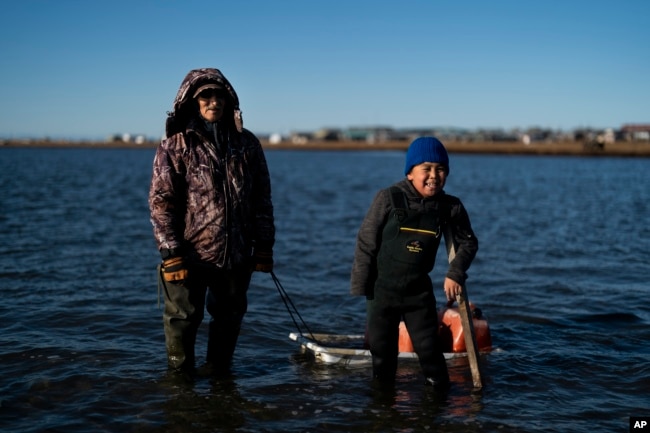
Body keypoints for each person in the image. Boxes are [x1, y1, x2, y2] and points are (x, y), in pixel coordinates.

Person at [149, 68, 275, 376]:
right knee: (182, 319)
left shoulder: (248, 145)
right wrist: (172, 253)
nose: (213, 102)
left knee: (229, 319)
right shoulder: (175, 146)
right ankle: (180, 385)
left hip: (236, 256)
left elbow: (262, 199)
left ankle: (220, 380)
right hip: (189, 256)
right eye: (205, 95)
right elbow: (161, 202)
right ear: (192, 101)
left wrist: (264, 246)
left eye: (219, 95)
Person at [350, 136, 478, 389]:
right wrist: (361, 285)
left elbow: (468, 243)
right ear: (410, 173)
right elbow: (366, 241)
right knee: (383, 357)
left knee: (431, 354)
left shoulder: (449, 207)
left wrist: (455, 272)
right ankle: (382, 410)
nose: (434, 175)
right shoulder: (388, 198)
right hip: (381, 292)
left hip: (418, 295)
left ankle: (437, 410)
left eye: (440, 169)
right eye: (426, 168)